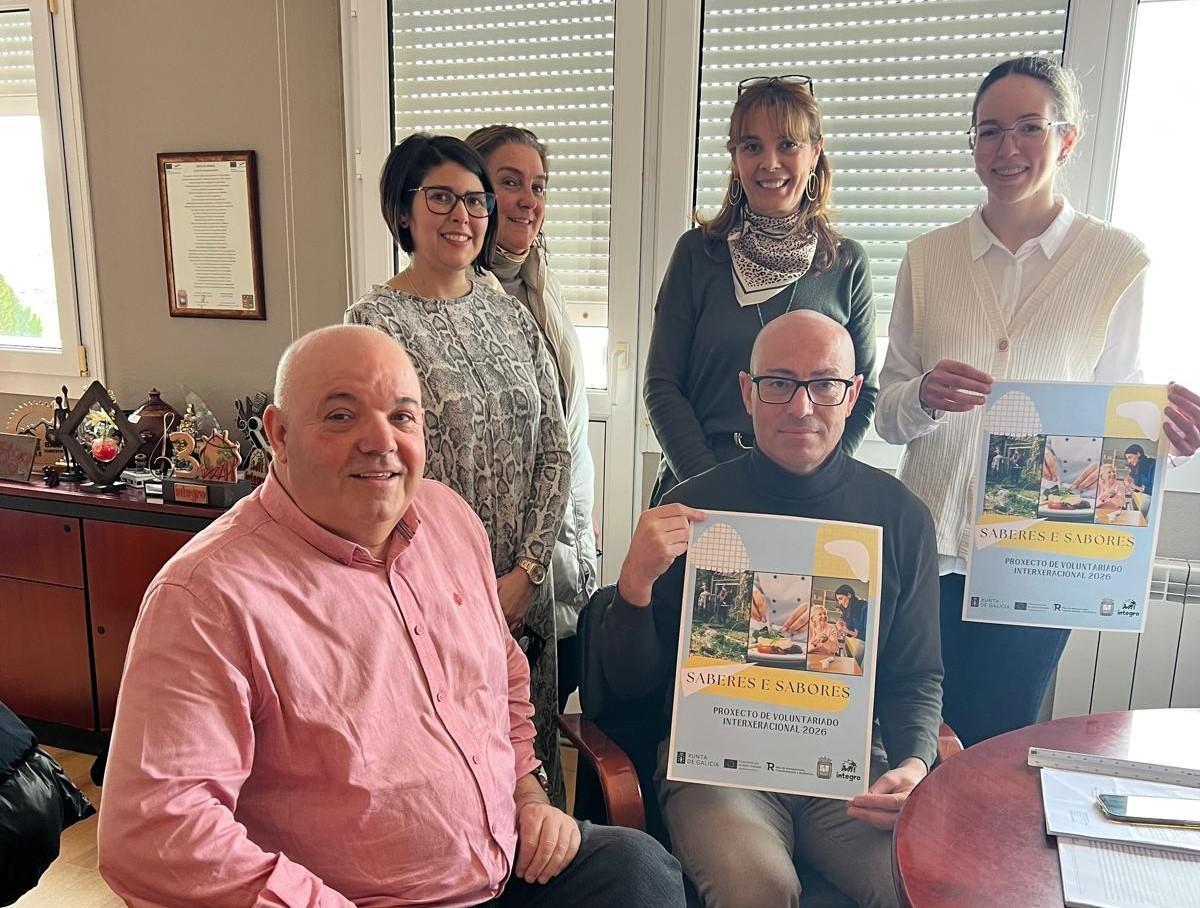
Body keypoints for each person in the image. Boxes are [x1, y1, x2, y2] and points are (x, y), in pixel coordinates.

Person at [96, 326, 684, 907]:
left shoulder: (450, 519)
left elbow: (501, 675)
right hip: (356, 899)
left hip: (504, 867)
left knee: (639, 871)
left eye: (402, 417)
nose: (381, 441)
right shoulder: (205, 596)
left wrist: (527, 795)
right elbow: (154, 832)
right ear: (277, 433)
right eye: (341, 416)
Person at [874, 55, 1200, 748]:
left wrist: (1162, 438)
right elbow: (887, 414)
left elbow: (1119, 419)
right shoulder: (928, 258)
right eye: (988, 131)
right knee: (912, 741)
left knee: (995, 744)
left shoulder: (1118, 262)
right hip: (927, 545)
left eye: (1029, 127)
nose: (1007, 149)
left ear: (1068, 138)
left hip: (1040, 552)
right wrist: (925, 397)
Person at [601, 310, 942, 907]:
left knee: (922, 880)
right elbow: (629, 690)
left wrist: (914, 762)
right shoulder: (694, 510)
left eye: (824, 384)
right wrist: (633, 589)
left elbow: (917, 675)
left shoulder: (900, 517)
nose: (801, 406)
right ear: (746, 392)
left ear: (853, 392)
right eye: (778, 383)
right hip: (719, 768)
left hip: (845, 768)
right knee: (759, 887)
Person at [345, 133, 571, 805]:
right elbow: (381, 472)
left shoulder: (510, 313)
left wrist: (527, 572)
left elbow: (553, 448)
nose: (462, 215)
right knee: (456, 766)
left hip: (526, 592)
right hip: (431, 593)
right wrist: (472, 589)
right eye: (440, 197)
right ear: (403, 210)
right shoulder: (375, 324)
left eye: (475, 200)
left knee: (532, 767)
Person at [644, 75, 877, 505]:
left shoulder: (846, 263)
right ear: (735, 157)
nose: (769, 163)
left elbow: (862, 395)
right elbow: (661, 386)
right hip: (698, 488)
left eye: (787, 145)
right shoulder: (698, 254)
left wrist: (815, 482)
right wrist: (712, 486)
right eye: (752, 146)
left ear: (815, 152)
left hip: (803, 496)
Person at [465, 125, 599, 713]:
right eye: (509, 183)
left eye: (538, 186)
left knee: (544, 715)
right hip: (493, 560)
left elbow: (568, 430)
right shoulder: (452, 295)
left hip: (561, 541)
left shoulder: (543, 287)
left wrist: (580, 534)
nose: (528, 200)